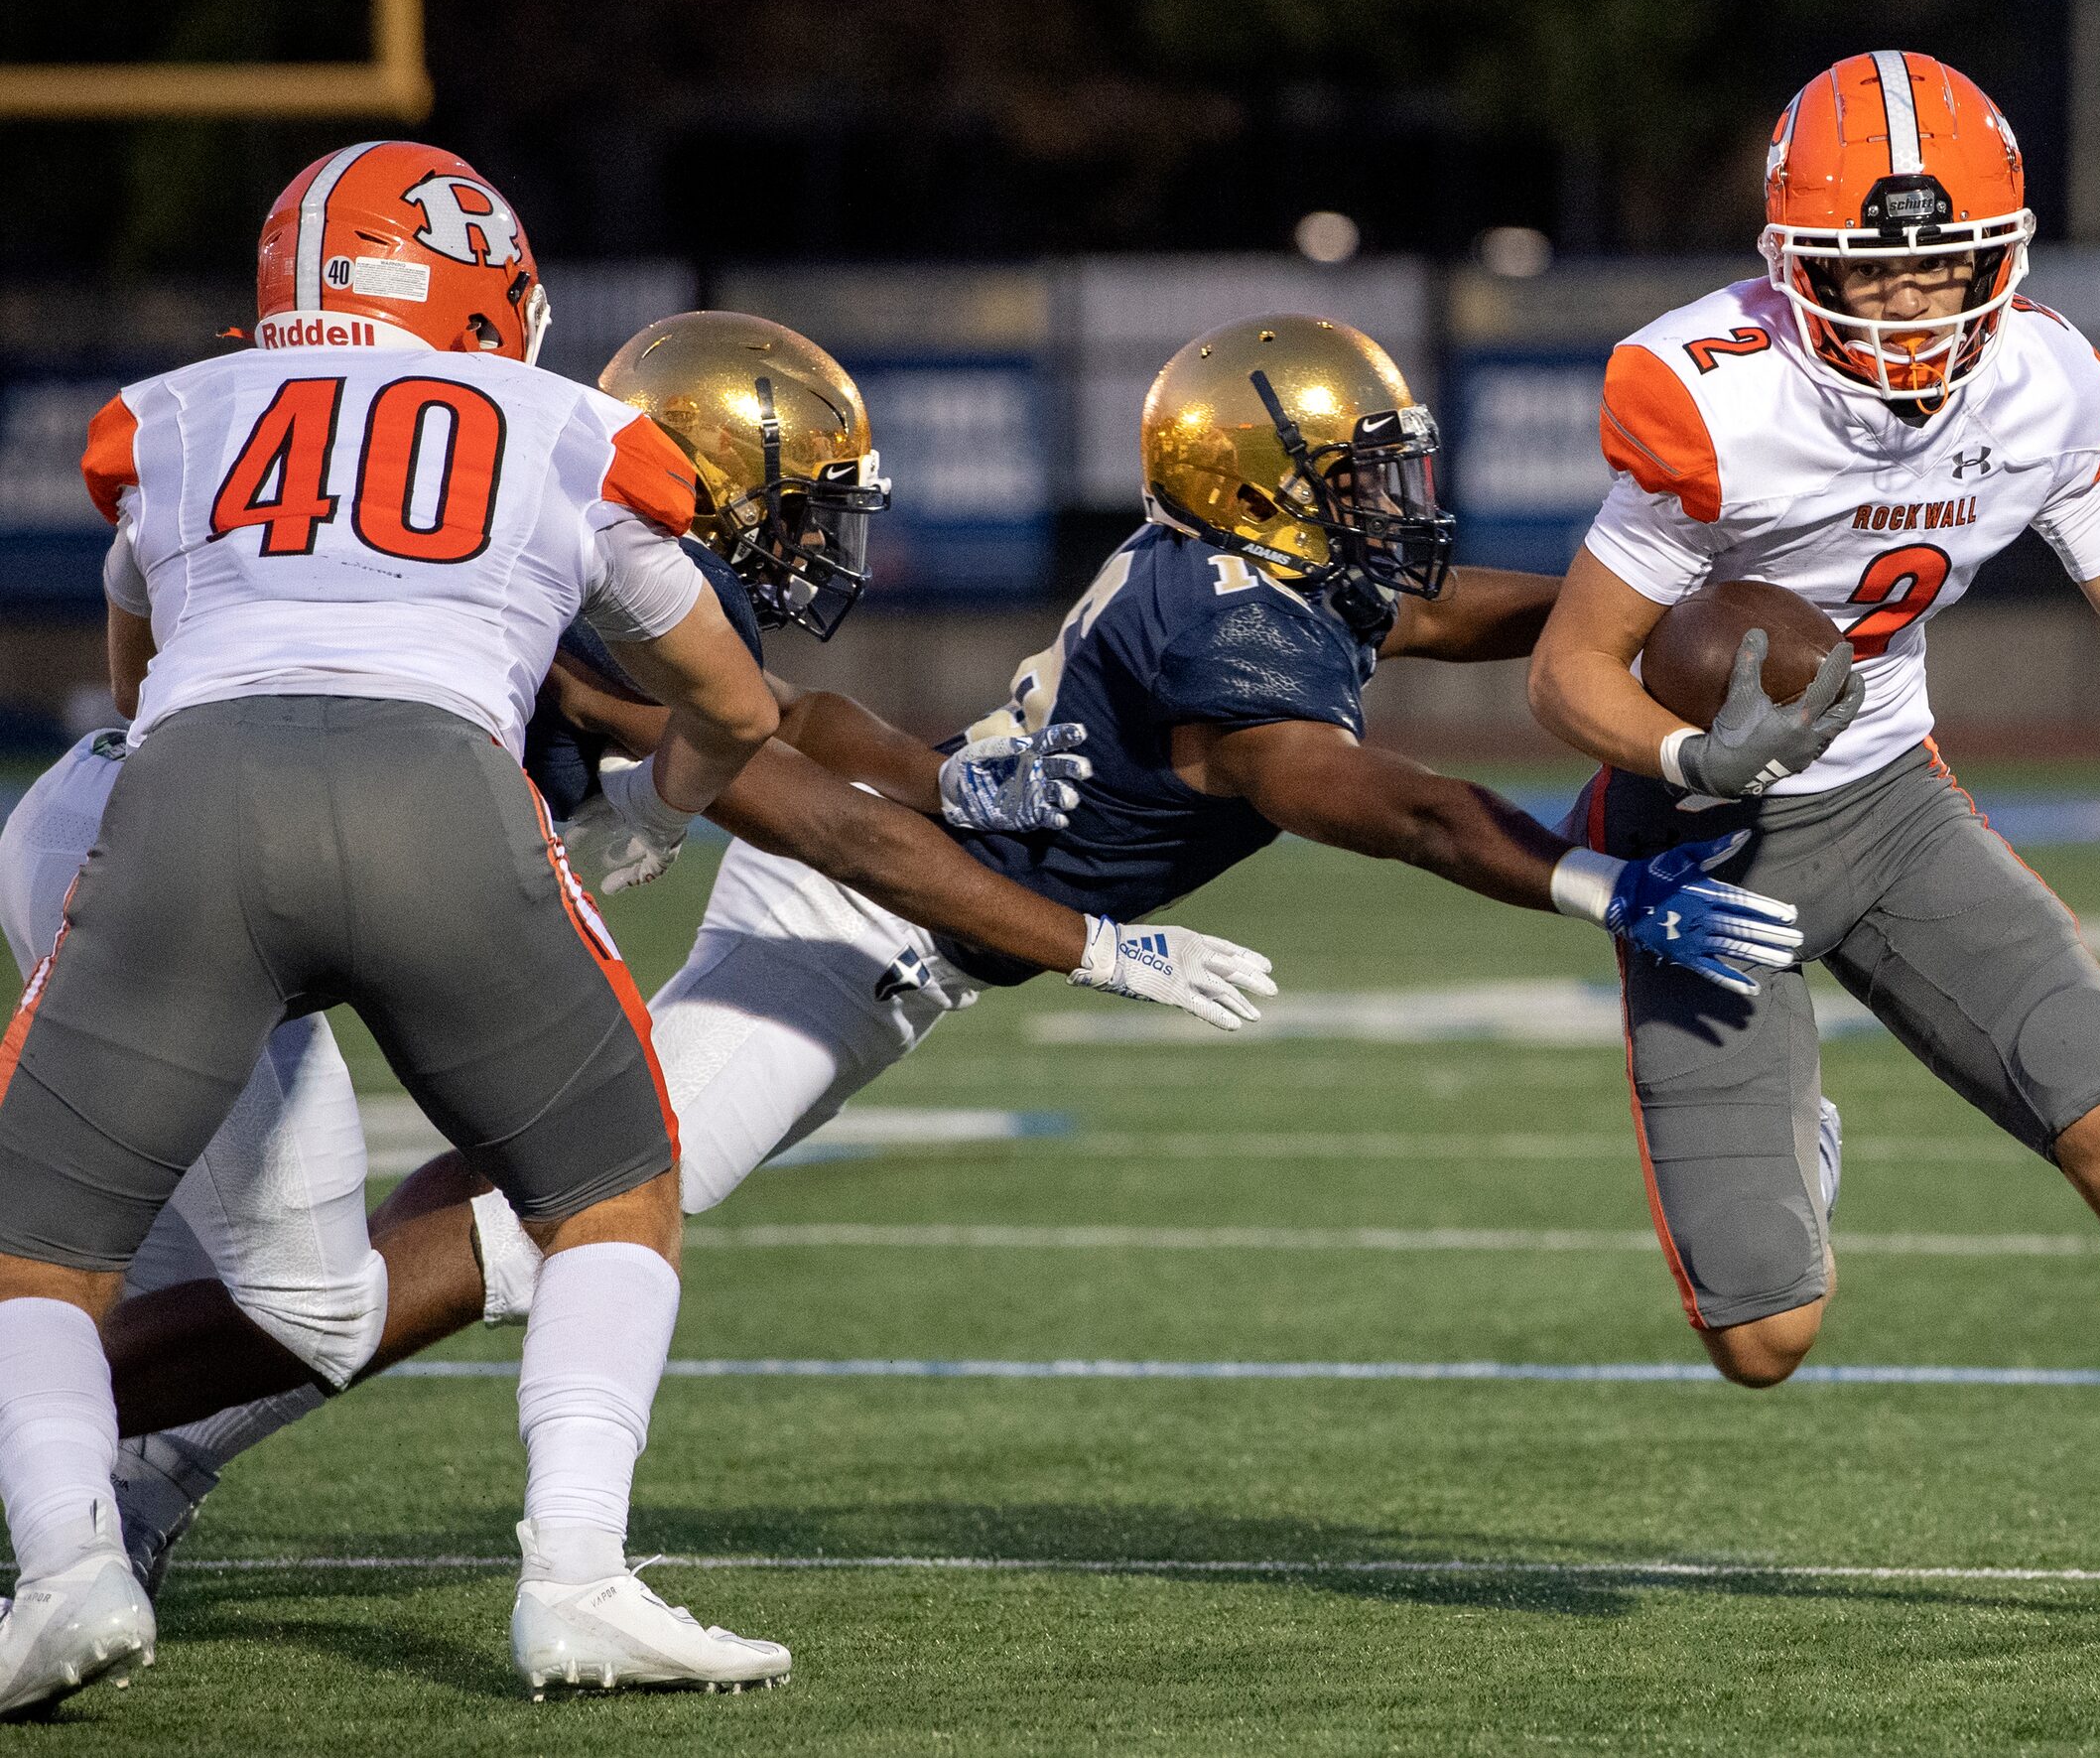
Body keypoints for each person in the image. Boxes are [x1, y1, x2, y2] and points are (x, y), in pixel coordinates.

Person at [89, 313, 1804, 1581]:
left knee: (475, 1209)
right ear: (1264, 489)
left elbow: (1451, 610)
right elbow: (1389, 804)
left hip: (849, 888)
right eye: (1362, 482)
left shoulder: (1260, 575)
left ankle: (125, 1439)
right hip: (843, 917)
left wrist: (1634, 591)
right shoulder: (1221, 625)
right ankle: (118, 1440)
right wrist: (1593, 886)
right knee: (522, 1239)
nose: (1395, 512)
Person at [0, 308, 1280, 1613]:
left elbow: (794, 731)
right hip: (186, 864)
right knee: (364, 1275)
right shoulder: (608, 577)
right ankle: (150, 1493)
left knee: (240, 1265)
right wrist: (1089, 939)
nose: (820, 538)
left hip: (164, 841)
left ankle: (108, 1502)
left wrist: (941, 775)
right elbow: (821, 816)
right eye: (799, 503)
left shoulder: (537, 534)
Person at [1524, 54, 2100, 1640]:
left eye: (1944, 266)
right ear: (1796, 267)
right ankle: (1799, 1147)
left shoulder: (2040, 385)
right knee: (1767, 1336)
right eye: (1874, 272)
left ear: (2002, 259)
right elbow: (1566, 666)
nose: (1915, 308)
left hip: (1894, 804)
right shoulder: (1710, 392)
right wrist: (1679, 749)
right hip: (1706, 846)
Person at [0, 138, 799, 1714]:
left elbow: (135, 684)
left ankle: (66, 1567)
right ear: (469, 290)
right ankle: (576, 1578)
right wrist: (653, 809)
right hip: (440, 793)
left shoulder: (171, 420)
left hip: (189, 803)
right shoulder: (563, 425)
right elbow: (733, 697)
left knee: (41, 1249)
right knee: (612, 1199)